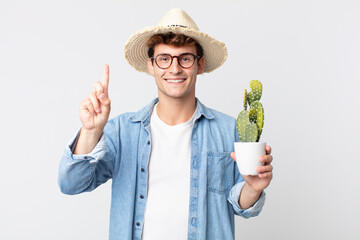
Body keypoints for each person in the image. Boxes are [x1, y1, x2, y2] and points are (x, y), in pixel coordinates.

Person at [58, 8, 273, 240]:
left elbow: (241, 206)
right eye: (164, 59)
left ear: (199, 65)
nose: (174, 68)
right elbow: (70, 184)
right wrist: (90, 132)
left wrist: (253, 188)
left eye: (185, 58)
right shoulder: (122, 131)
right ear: (151, 66)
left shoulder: (228, 129)